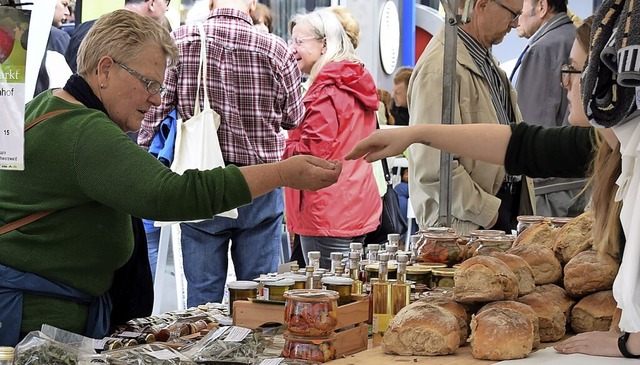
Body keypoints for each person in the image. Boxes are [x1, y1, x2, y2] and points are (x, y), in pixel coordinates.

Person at [0, 9, 341, 347]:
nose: (156, 99)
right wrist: (283, 172)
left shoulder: (48, 103)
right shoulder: (85, 132)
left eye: (160, 87)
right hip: (39, 327)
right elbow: (171, 195)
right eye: (148, 83)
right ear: (105, 69)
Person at [347, 6, 640, 356]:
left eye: (573, 71)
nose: (565, 83)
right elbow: (519, 143)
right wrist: (417, 134)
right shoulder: (607, 145)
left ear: (601, 81)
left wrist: (629, 344)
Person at [138, 0, 305, 307]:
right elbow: (293, 117)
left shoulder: (182, 41)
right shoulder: (275, 48)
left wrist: (140, 154)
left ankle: (206, 350)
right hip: (261, 183)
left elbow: (156, 109)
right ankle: (253, 347)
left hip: (201, 180)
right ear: (252, 5)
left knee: (203, 297)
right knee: (261, 295)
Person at [407, 0, 534, 236]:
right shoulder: (439, 69)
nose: (514, 24)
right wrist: (489, 214)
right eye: (512, 14)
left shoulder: (485, 62)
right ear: (482, 5)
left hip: (490, 215)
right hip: (468, 224)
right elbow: (433, 166)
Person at [284, 8, 381, 269]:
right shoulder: (354, 81)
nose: (291, 49)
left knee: (326, 298)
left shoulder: (325, 91)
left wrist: (280, 144)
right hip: (355, 204)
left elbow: (312, 157)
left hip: (326, 211)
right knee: (347, 293)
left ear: (324, 43)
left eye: (299, 41)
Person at [511, 0, 588, 218]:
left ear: (542, 7)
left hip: (550, 189)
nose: (517, 13)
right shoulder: (576, 38)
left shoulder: (543, 49)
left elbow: (530, 129)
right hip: (579, 179)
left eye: (521, 4)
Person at [65, 0, 170, 73]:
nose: (167, 8)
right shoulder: (137, 40)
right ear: (152, 3)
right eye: (166, 2)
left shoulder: (84, 27)